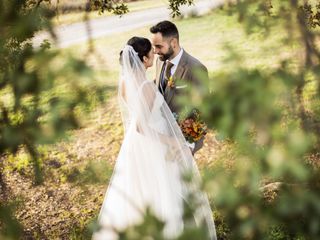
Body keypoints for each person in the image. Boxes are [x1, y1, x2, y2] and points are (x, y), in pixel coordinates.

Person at [92, 36, 216, 240]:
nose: (155, 54)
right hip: (154, 141)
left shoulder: (125, 82)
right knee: (165, 190)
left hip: (136, 144)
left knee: (142, 191)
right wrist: (173, 141)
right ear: (142, 59)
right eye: (151, 52)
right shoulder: (146, 88)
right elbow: (143, 126)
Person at [150, 20, 208, 155]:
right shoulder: (161, 61)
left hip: (182, 144)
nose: (155, 52)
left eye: (159, 46)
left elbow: (203, 110)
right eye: (154, 47)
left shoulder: (196, 68)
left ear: (173, 43)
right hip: (162, 141)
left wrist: (190, 146)